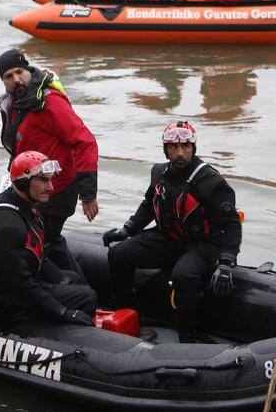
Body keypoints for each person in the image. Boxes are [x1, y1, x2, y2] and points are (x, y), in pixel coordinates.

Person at [102, 121, 242, 342]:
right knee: (118, 255)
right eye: (173, 147)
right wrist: (128, 229)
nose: (180, 153)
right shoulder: (159, 172)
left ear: (193, 148)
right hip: (168, 238)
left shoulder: (211, 182)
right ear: (165, 149)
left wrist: (227, 261)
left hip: (203, 244)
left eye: (185, 147)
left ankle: (189, 334)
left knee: (183, 275)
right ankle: (129, 316)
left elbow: (232, 225)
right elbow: (149, 205)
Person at [0, 151, 97, 327]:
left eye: (50, 180)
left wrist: (64, 280)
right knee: (87, 298)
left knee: (73, 280)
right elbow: (21, 284)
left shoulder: (23, 207)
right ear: (23, 182)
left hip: (11, 284)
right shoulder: (6, 226)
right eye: (43, 181)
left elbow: (37, 258)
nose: (50, 187)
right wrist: (63, 313)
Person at [0, 49, 98, 276]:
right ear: (3, 81)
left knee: (48, 241)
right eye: (8, 77)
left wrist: (88, 194)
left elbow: (86, 142)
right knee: (42, 239)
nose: (16, 80)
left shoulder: (49, 103)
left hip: (57, 188)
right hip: (31, 187)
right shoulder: (16, 103)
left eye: (19, 72)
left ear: (29, 71)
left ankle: (80, 292)